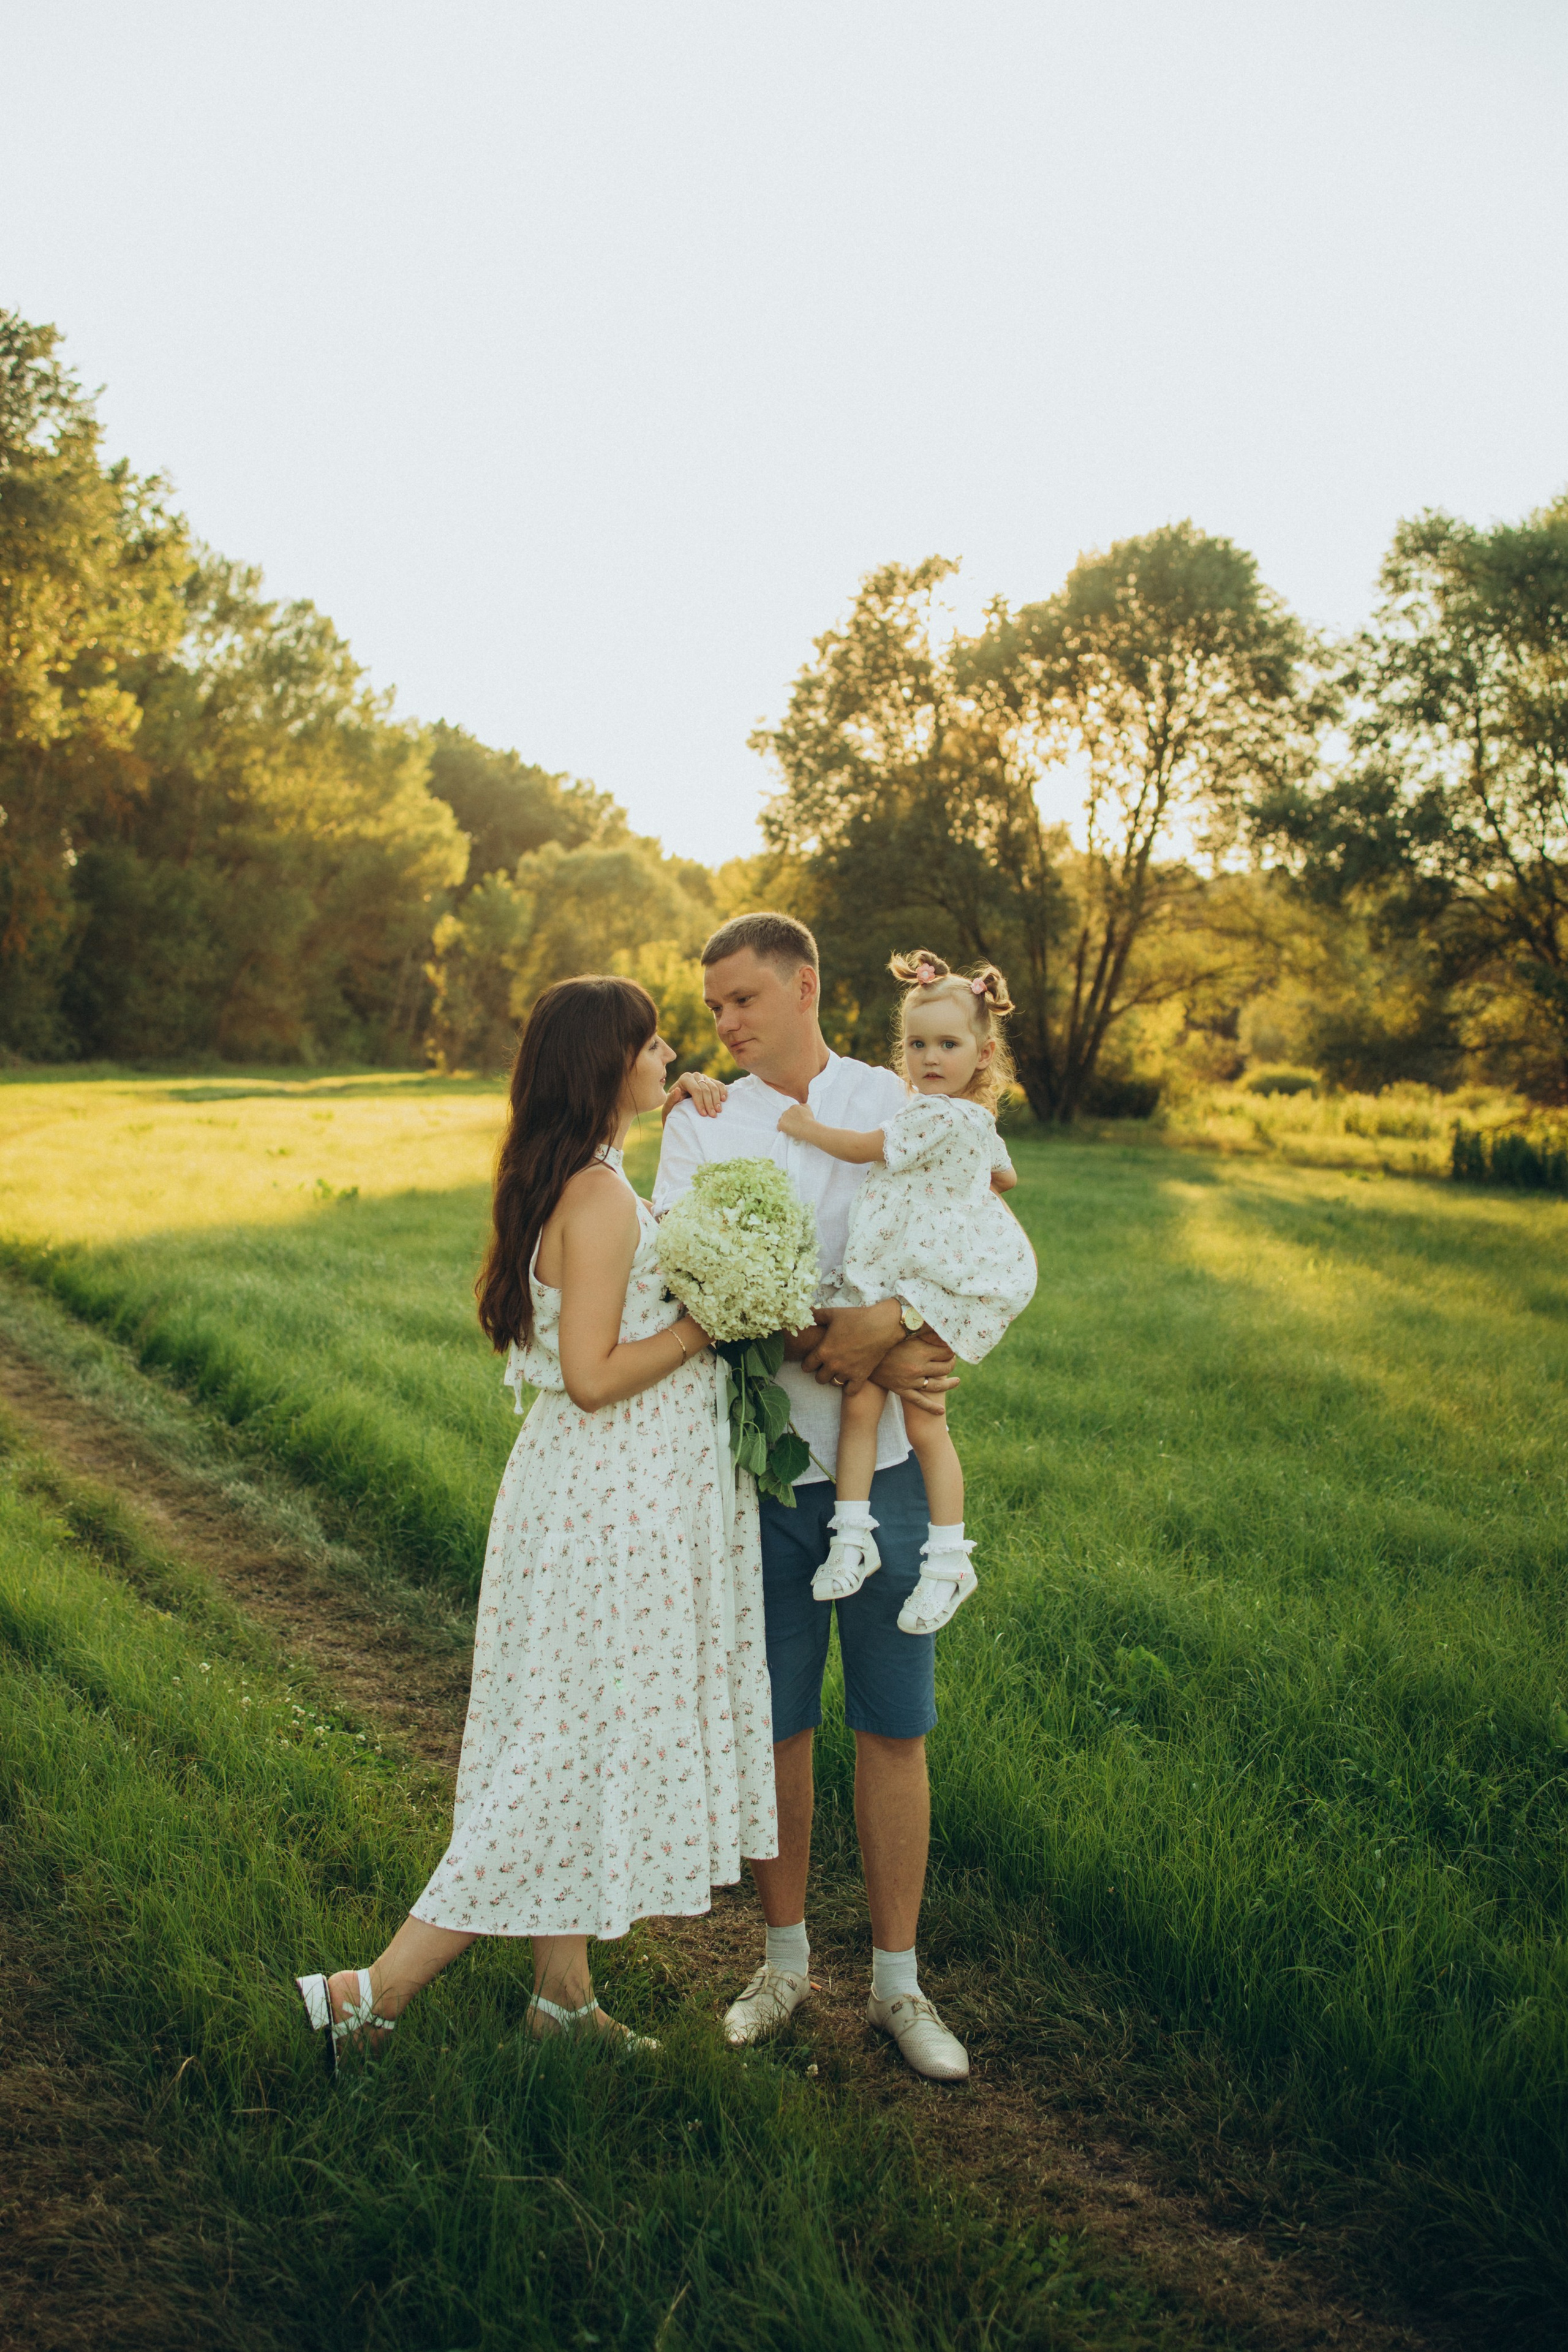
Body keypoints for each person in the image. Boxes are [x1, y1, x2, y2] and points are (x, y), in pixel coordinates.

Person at [296, 976, 775, 2065]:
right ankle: (368, 1995)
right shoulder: (598, 1198)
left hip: (588, 1495)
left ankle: (561, 2005)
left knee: (568, 1736)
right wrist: (708, 1325)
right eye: (653, 1047)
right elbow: (595, 1374)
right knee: (560, 1757)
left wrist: (693, 1097)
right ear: (605, 1067)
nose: (672, 1057)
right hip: (609, 1504)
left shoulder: (584, 1174)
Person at [654, 913, 1004, 2082]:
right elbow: (687, 1274)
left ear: (808, 983)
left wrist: (898, 1332)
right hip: (761, 1476)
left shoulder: (893, 1094)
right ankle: (785, 1962)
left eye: (746, 998)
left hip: (889, 1474)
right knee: (780, 1729)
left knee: (895, 1728)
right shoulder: (704, 1122)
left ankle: (900, 1986)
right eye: (714, 1010)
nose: (729, 1024)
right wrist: (833, 1335)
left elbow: (969, 1230)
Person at [775, 949, 1037, 1637]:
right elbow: (1002, 1180)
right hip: (924, 1273)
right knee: (864, 1399)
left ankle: (945, 1556)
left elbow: (865, 1148)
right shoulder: (976, 1121)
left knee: (918, 1417)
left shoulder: (932, 1116)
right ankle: (854, 1535)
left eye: (947, 1045)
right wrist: (953, 1199)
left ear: (981, 1054)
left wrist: (806, 1129)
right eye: (917, 1044)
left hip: (927, 1282)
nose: (928, 1058)